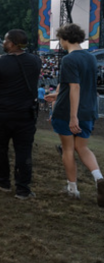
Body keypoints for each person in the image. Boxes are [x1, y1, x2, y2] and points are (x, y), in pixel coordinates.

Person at [45, 23, 104, 207]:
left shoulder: (69, 60)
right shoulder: (91, 58)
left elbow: (75, 87)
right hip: (88, 110)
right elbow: (77, 85)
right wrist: (57, 94)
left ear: (64, 38)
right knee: (83, 148)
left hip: (69, 112)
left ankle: (72, 189)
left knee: (68, 149)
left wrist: (72, 117)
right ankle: (99, 179)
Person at [0, 30, 41, 200]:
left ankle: (3, 182)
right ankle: (23, 189)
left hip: (1, 113)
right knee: (24, 151)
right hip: (25, 114)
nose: (3, 43)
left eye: (6, 40)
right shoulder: (35, 61)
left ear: (13, 43)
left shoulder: (0, 64)